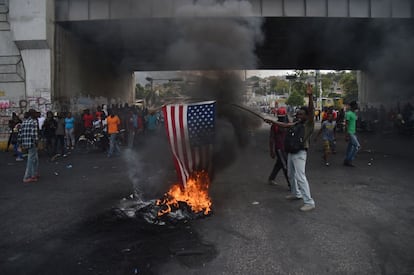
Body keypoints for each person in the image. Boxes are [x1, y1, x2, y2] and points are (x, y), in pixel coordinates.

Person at [264, 83, 316, 212]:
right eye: (298, 114)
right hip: (291, 152)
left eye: (301, 114)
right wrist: (272, 121)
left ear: (307, 115)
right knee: (291, 174)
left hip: (300, 153)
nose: (299, 116)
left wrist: (310, 96)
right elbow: (285, 125)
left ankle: (309, 202)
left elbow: (311, 110)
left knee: (300, 176)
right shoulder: (298, 123)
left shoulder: (309, 124)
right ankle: (295, 193)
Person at [267, 107, 290, 190]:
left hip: (286, 148)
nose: (281, 118)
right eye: (280, 117)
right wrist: (271, 150)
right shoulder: (275, 125)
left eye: (282, 117)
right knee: (285, 166)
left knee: (279, 164)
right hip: (280, 148)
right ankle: (290, 184)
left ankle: (271, 178)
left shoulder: (287, 124)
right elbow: (271, 138)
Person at [18, 109, 39, 183]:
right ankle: (27, 176)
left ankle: (34, 173)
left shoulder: (24, 122)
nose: (36, 115)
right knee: (31, 159)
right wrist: (36, 142)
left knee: (35, 158)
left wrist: (20, 143)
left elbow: (20, 133)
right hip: (32, 143)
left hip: (25, 143)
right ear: (32, 114)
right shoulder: (34, 122)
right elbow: (34, 134)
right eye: (35, 114)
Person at [344, 101, 360, 167]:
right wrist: (346, 134)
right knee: (357, 146)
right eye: (356, 105)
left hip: (353, 132)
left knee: (350, 147)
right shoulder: (348, 114)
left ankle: (346, 160)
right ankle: (349, 159)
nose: (357, 106)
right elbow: (346, 124)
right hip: (350, 133)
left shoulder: (354, 114)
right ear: (353, 106)